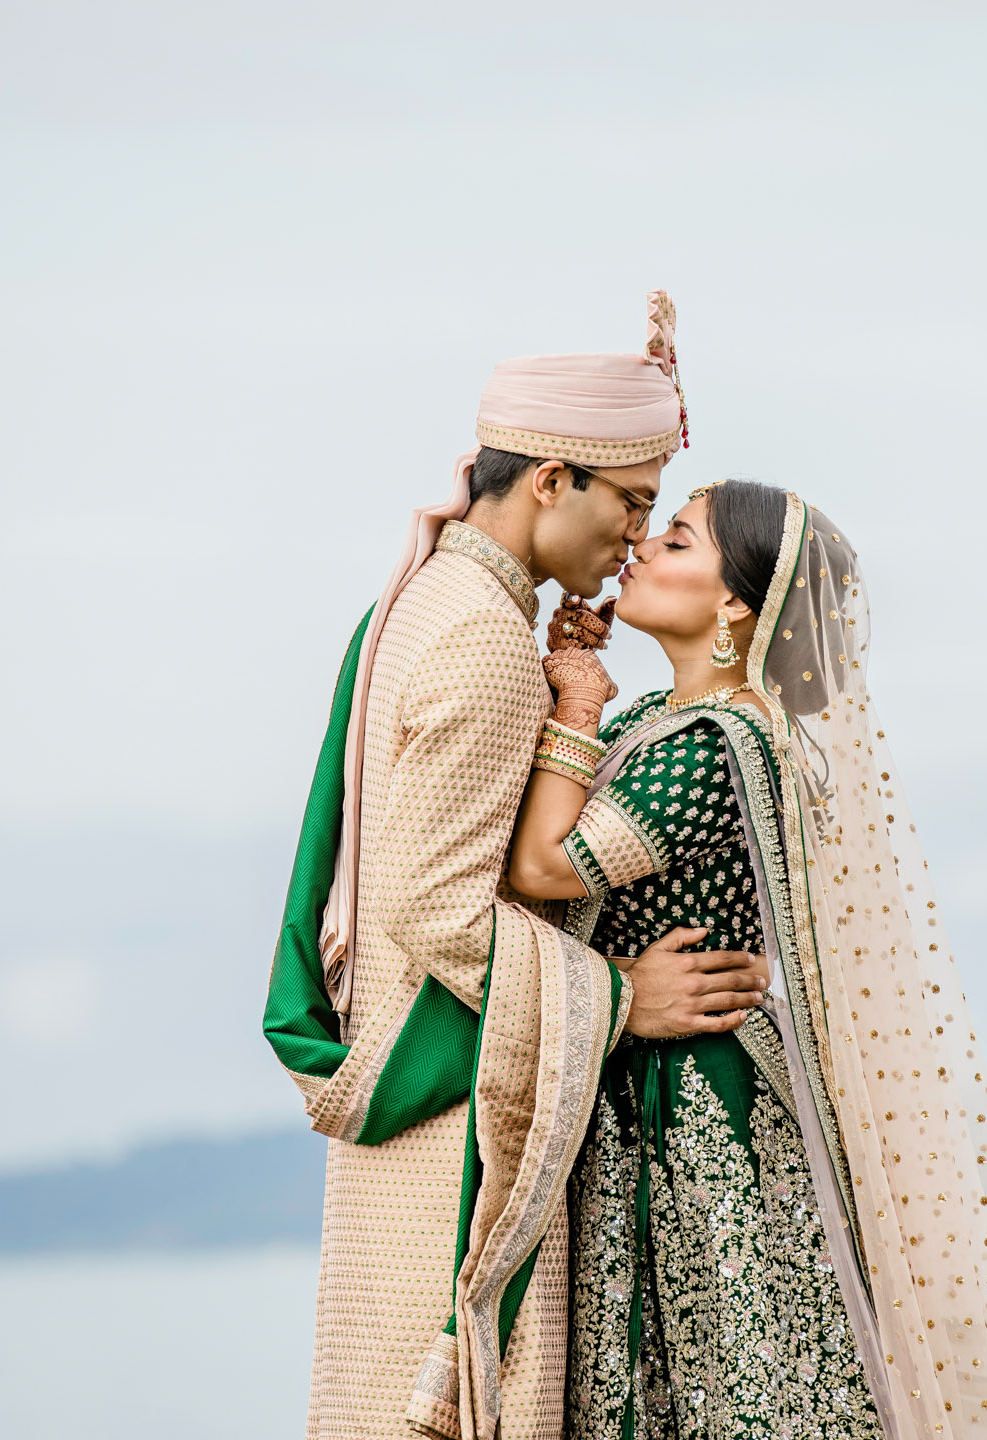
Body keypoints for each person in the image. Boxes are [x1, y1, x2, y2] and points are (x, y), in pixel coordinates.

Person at [262, 293, 772, 1440]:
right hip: (459, 1119)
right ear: (551, 480)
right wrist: (622, 1002)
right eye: (630, 505)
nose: (632, 542)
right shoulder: (483, 642)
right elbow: (438, 911)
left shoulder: (425, 602)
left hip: (429, 1080)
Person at [506, 481, 987, 1440]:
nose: (644, 548)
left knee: (725, 1379)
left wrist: (572, 702)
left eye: (679, 539)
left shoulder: (716, 743)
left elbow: (544, 865)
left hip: (687, 1096)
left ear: (736, 601)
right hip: (652, 1067)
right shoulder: (663, 721)